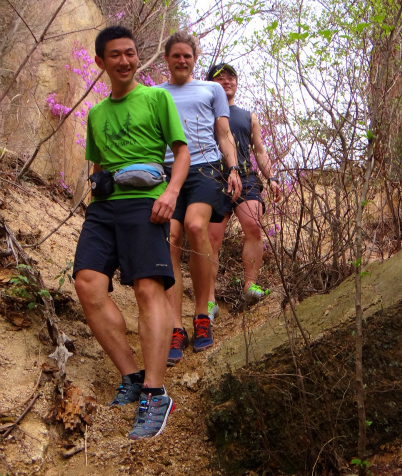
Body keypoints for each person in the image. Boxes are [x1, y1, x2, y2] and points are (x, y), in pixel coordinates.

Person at [73, 25, 190, 440]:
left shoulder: (156, 97)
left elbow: (181, 150)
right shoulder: (97, 115)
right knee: (87, 283)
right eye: (115, 55)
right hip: (105, 209)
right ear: (101, 63)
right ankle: (133, 375)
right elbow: (98, 167)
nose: (125, 61)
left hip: (148, 202)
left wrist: (172, 193)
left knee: (146, 289)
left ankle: (156, 394)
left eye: (131, 53)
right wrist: (97, 185)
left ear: (138, 57)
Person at [160, 33, 242, 365]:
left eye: (187, 56)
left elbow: (223, 133)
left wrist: (233, 168)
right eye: (176, 55)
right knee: (171, 240)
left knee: (196, 226)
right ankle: (176, 326)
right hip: (166, 173)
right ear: (166, 59)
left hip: (205, 168)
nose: (182, 60)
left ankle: (202, 315)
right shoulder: (155, 94)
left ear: (195, 58)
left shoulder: (211, 90)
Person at [206, 63, 282, 318]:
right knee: (211, 239)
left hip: (246, 177)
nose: (227, 81)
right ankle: (208, 299)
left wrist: (271, 177)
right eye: (220, 78)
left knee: (254, 226)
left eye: (231, 77)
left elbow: (259, 150)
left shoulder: (248, 116)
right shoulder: (204, 111)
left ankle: (250, 286)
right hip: (213, 178)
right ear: (209, 83)